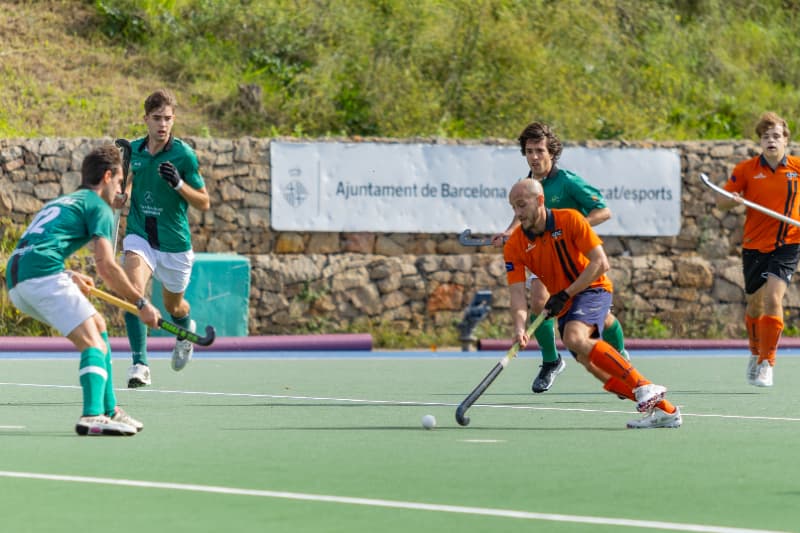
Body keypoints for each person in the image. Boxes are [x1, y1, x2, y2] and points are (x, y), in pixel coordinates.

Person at [5, 144, 161, 436]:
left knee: (99, 327)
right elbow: (107, 267)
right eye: (118, 182)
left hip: (18, 280)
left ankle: (110, 409)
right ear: (106, 177)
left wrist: (68, 273)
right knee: (93, 343)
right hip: (41, 276)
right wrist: (141, 303)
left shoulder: (63, 202)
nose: (119, 191)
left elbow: (36, 247)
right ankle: (92, 416)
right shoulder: (99, 206)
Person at [504, 179, 681, 428]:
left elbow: (600, 263)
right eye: (513, 207)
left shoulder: (570, 219)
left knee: (575, 337)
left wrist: (565, 294)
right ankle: (667, 412)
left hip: (592, 287)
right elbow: (517, 295)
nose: (518, 213)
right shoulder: (515, 245)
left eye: (522, 205)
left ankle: (644, 386)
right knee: (592, 365)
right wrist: (520, 328)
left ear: (540, 201)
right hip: (566, 303)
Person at [492, 121, 629, 394]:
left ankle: (620, 351)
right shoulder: (528, 184)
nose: (534, 156)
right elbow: (523, 216)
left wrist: (571, 232)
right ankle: (551, 361)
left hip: (574, 258)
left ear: (551, 152)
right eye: (529, 151)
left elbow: (603, 212)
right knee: (539, 302)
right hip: (544, 257)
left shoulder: (567, 182)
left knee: (603, 320)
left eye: (539, 150)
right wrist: (509, 233)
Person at [120, 88, 211, 388]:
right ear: (145, 119)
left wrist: (179, 184)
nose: (162, 125)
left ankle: (185, 331)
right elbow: (127, 186)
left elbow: (203, 202)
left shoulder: (183, 155)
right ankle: (140, 364)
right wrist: (123, 196)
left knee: (175, 307)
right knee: (133, 293)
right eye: (157, 118)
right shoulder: (133, 151)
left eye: (168, 119)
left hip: (174, 244)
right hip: (140, 235)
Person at [715, 111, 800, 387]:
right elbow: (721, 202)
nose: (771, 140)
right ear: (760, 142)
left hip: (789, 242)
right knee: (754, 304)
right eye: (766, 137)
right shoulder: (746, 170)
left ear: (786, 140)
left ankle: (767, 362)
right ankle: (754, 352)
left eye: (776, 135)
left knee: (774, 299)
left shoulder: (797, 168)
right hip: (754, 245)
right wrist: (733, 199)